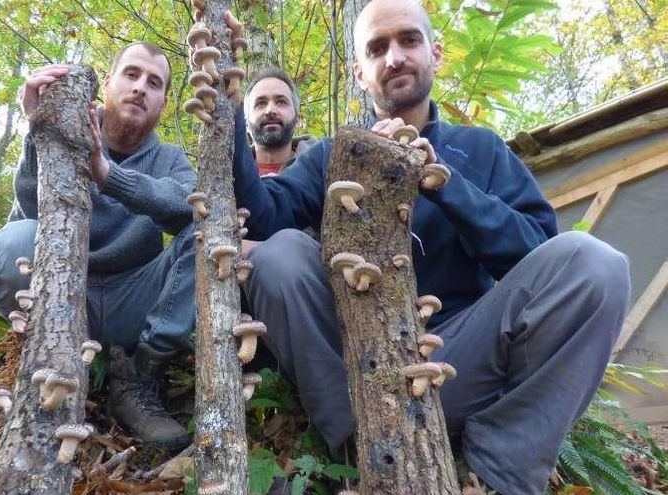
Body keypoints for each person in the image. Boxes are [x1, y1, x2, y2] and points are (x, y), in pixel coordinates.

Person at [229, 1, 631, 493]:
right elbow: (267, 217)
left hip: (459, 357)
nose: (394, 57)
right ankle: (357, 445)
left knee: (597, 263)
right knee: (279, 253)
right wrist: (228, 116)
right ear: (359, 72)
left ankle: (500, 466)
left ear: (435, 54)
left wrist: (445, 182)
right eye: (377, 49)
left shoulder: (480, 149)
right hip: (355, 367)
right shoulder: (336, 154)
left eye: (408, 41)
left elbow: (538, 248)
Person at [0, 42, 196, 451]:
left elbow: (185, 207)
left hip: (129, 300)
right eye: (131, 75)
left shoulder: (169, 158)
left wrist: (108, 175)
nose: (140, 88)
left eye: (154, 83)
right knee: (14, 239)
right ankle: (40, 361)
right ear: (110, 84)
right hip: (58, 290)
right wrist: (39, 129)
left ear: (164, 104)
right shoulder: (67, 127)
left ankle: (139, 377)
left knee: (205, 232)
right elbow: (32, 208)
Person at [243, 67, 316, 177]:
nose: (270, 110)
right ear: (246, 124)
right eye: (260, 103)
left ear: (298, 119)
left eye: (281, 102)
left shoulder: (324, 167)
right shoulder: (230, 172)